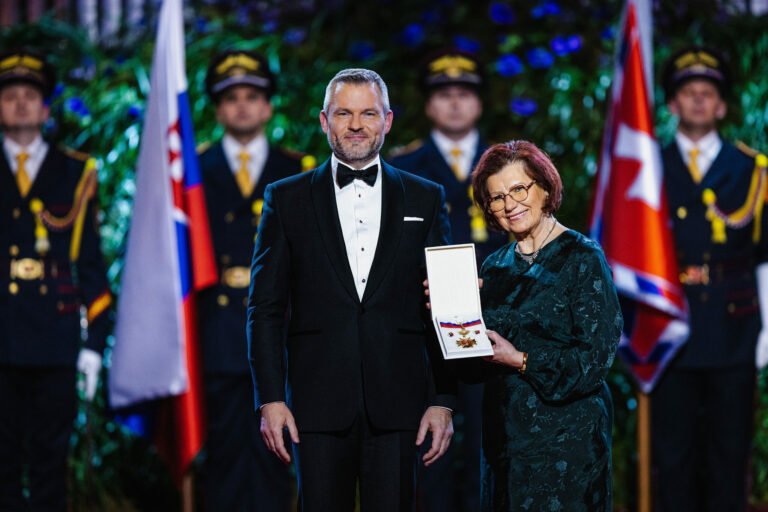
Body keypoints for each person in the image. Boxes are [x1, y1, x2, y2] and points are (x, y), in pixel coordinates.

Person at [248, 68, 456, 511]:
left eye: (368, 113)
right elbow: (264, 309)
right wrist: (270, 398)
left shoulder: (426, 197)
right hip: (315, 405)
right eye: (344, 113)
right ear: (325, 121)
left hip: (400, 403)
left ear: (388, 120)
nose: (356, 125)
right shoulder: (286, 198)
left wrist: (443, 400)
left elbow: (445, 303)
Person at [469, 140, 622, 510]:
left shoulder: (584, 258)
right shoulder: (494, 266)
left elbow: (592, 362)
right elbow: (477, 361)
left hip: (568, 446)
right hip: (505, 446)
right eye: (497, 197)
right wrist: (450, 315)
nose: (509, 204)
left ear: (545, 189)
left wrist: (520, 359)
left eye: (519, 189)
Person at [652, 46, 768, 512]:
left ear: (721, 106)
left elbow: (764, 256)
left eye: (708, 92)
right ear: (672, 104)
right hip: (668, 326)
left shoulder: (751, 168)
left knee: (729, 450)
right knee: (672, 452)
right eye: (688, 91)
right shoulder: (647, 167)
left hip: (734, 326)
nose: (698, 99)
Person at [391, 47, 505, 512]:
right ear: (428, 104)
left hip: (495, 327)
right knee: (427, 452)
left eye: (464, 93)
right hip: (423, 329)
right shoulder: (401, 167)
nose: (455, 103)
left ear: (480, 103)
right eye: (444, 94)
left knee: (492, 447)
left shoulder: (509, 166)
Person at [0, 49, 111, 510]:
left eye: (30, 95)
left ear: (46, 109)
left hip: (54, 342)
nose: (20, 103)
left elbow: (91, 264)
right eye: (10, 95)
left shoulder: (75, 172)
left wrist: (94, 344)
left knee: (51, 470)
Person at [196, 49, 303, 511]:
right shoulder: (191, 172)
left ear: (268, 107)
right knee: (221, 457)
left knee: (275, 457)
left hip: (280, 337)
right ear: (218, 109)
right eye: (231, 98)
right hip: (214, 335)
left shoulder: (299, 170)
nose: (242, 106)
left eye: (252, 96)